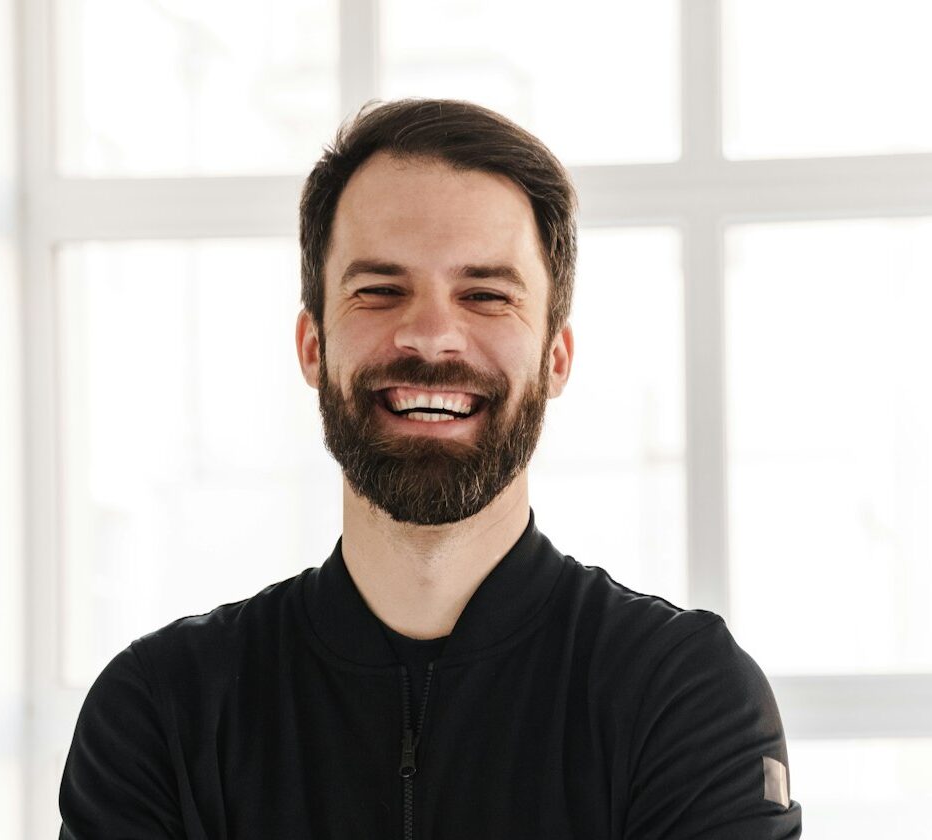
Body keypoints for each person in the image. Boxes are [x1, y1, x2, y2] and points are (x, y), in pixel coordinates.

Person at [59, 99, 802, 839]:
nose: (432, 336)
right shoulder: (161, 709)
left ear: (554, 359)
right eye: (380, 290)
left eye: (485, 295)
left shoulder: (683, 694)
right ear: (312, 345)